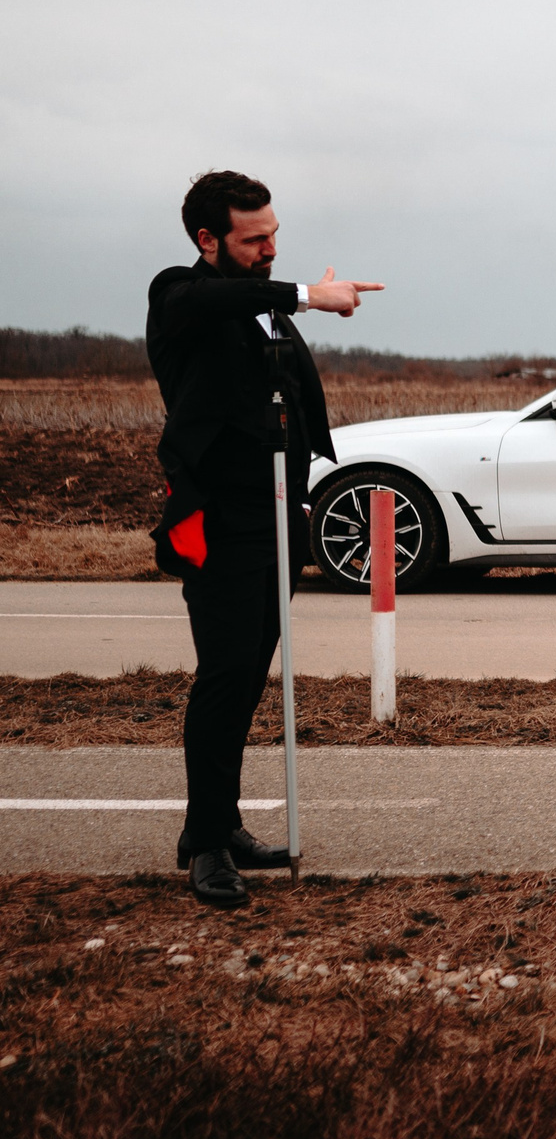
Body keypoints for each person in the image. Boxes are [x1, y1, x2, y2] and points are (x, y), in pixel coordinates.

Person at [147, 171, 384, 906]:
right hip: (217, 520)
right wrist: (308, 297)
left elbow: (274, 397)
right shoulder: (179, 295)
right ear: (207, 240)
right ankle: (208, 848)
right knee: (223, 679)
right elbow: (220, 300)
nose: (270, 250)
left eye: (274, 235)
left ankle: (214, 824)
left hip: (277, 512)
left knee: (249, 677)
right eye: (254, 240)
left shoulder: (262, 308)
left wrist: (306, 487)